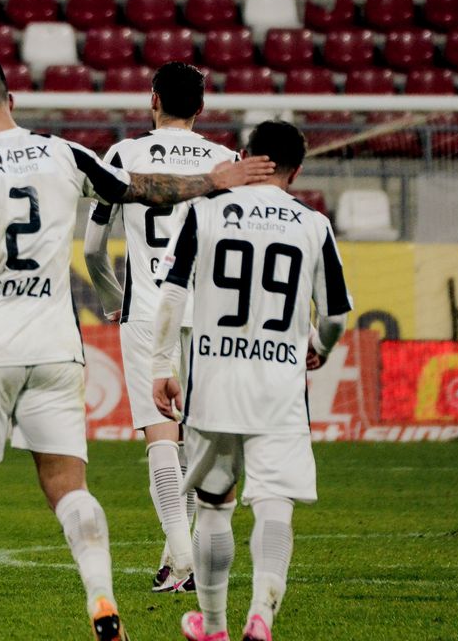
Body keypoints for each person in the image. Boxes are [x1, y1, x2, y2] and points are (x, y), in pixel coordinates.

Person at [0, 54, 276, 641]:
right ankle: (103, 597)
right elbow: (141, 190)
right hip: (60, 346)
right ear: (11, 101)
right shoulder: (64, 152)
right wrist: (213, 180)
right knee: (71, 487)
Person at [149, 120, 352, 641]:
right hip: (280, 388)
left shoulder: (205, 211)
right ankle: (261, 614)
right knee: (273, 503)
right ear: (296, 171)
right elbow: (333, 316)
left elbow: (172, 295)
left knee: (215, 506)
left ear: (244, 155)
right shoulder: (313, 224)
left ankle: (213, 627)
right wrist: (319, 349)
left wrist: (160, 366)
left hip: (214, 383)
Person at [83, 62, 239, 594]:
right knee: (197, 439)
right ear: (201, 107)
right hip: (213, 314)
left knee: (161, 438)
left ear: (152, 100)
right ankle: (181, 560)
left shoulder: (123, 156)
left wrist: (112, 296)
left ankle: (181, 554)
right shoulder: (227, 162)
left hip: (148, 308)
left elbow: (91, 247)